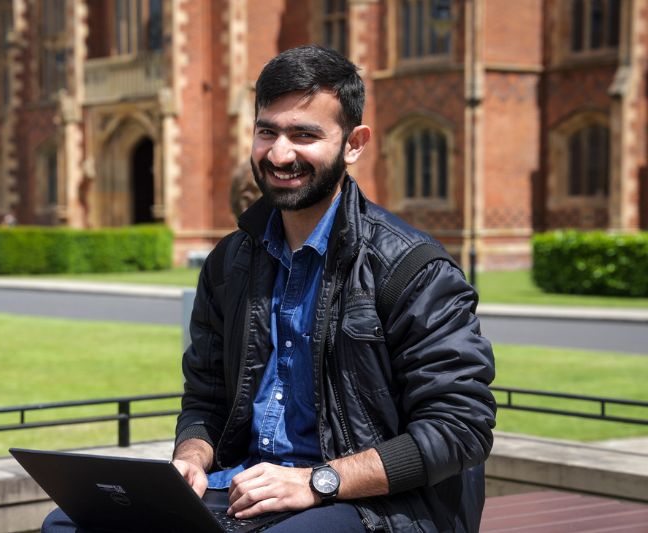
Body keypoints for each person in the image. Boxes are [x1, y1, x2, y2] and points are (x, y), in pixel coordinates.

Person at [43, 44, 495, 533]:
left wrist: (316, 481)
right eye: (267, 132)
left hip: (377, 505)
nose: (281, 154)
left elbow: (459, 430)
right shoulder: (228, 263)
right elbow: (207, 400)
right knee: (69, 523)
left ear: (354, 143)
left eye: (304, 135)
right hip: (248, 488)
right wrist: (192, 458)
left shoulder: (410, 268)